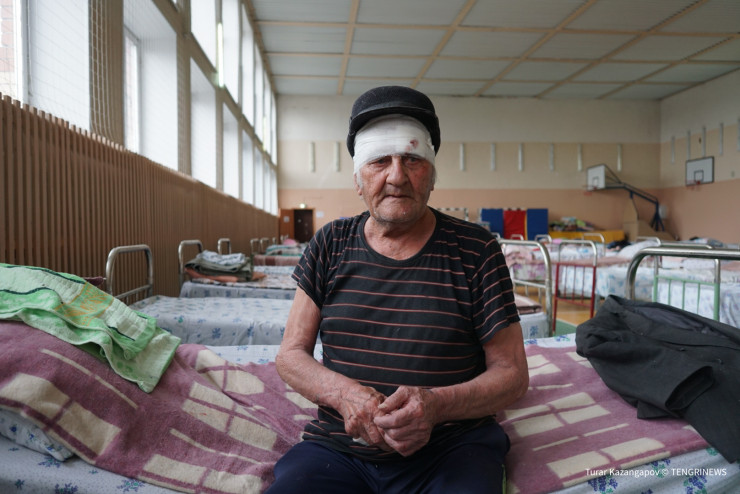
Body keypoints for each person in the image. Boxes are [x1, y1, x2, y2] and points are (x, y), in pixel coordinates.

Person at [268, 85, 529, 494]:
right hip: (340, 449)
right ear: (358, 179)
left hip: (453, 448)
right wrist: (345, 395)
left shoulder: (477, 250)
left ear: (432, 174)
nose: (396, 176)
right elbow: (290, 355)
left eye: (412, 159)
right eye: (379, 161)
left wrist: (436, 406)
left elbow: (512, 375)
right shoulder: (330, 243)